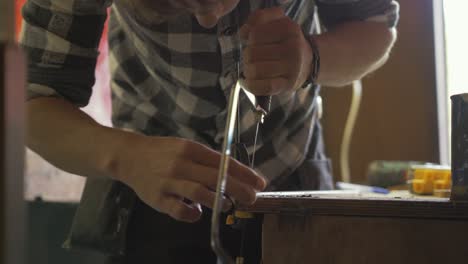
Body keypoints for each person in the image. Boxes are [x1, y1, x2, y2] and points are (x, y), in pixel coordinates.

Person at [21, 0, 399, 263]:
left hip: (292, 168)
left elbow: (377, 29)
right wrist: (126, 156)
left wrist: (312, 59)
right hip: (149, 192)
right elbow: (32, 105)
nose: (211, 19)